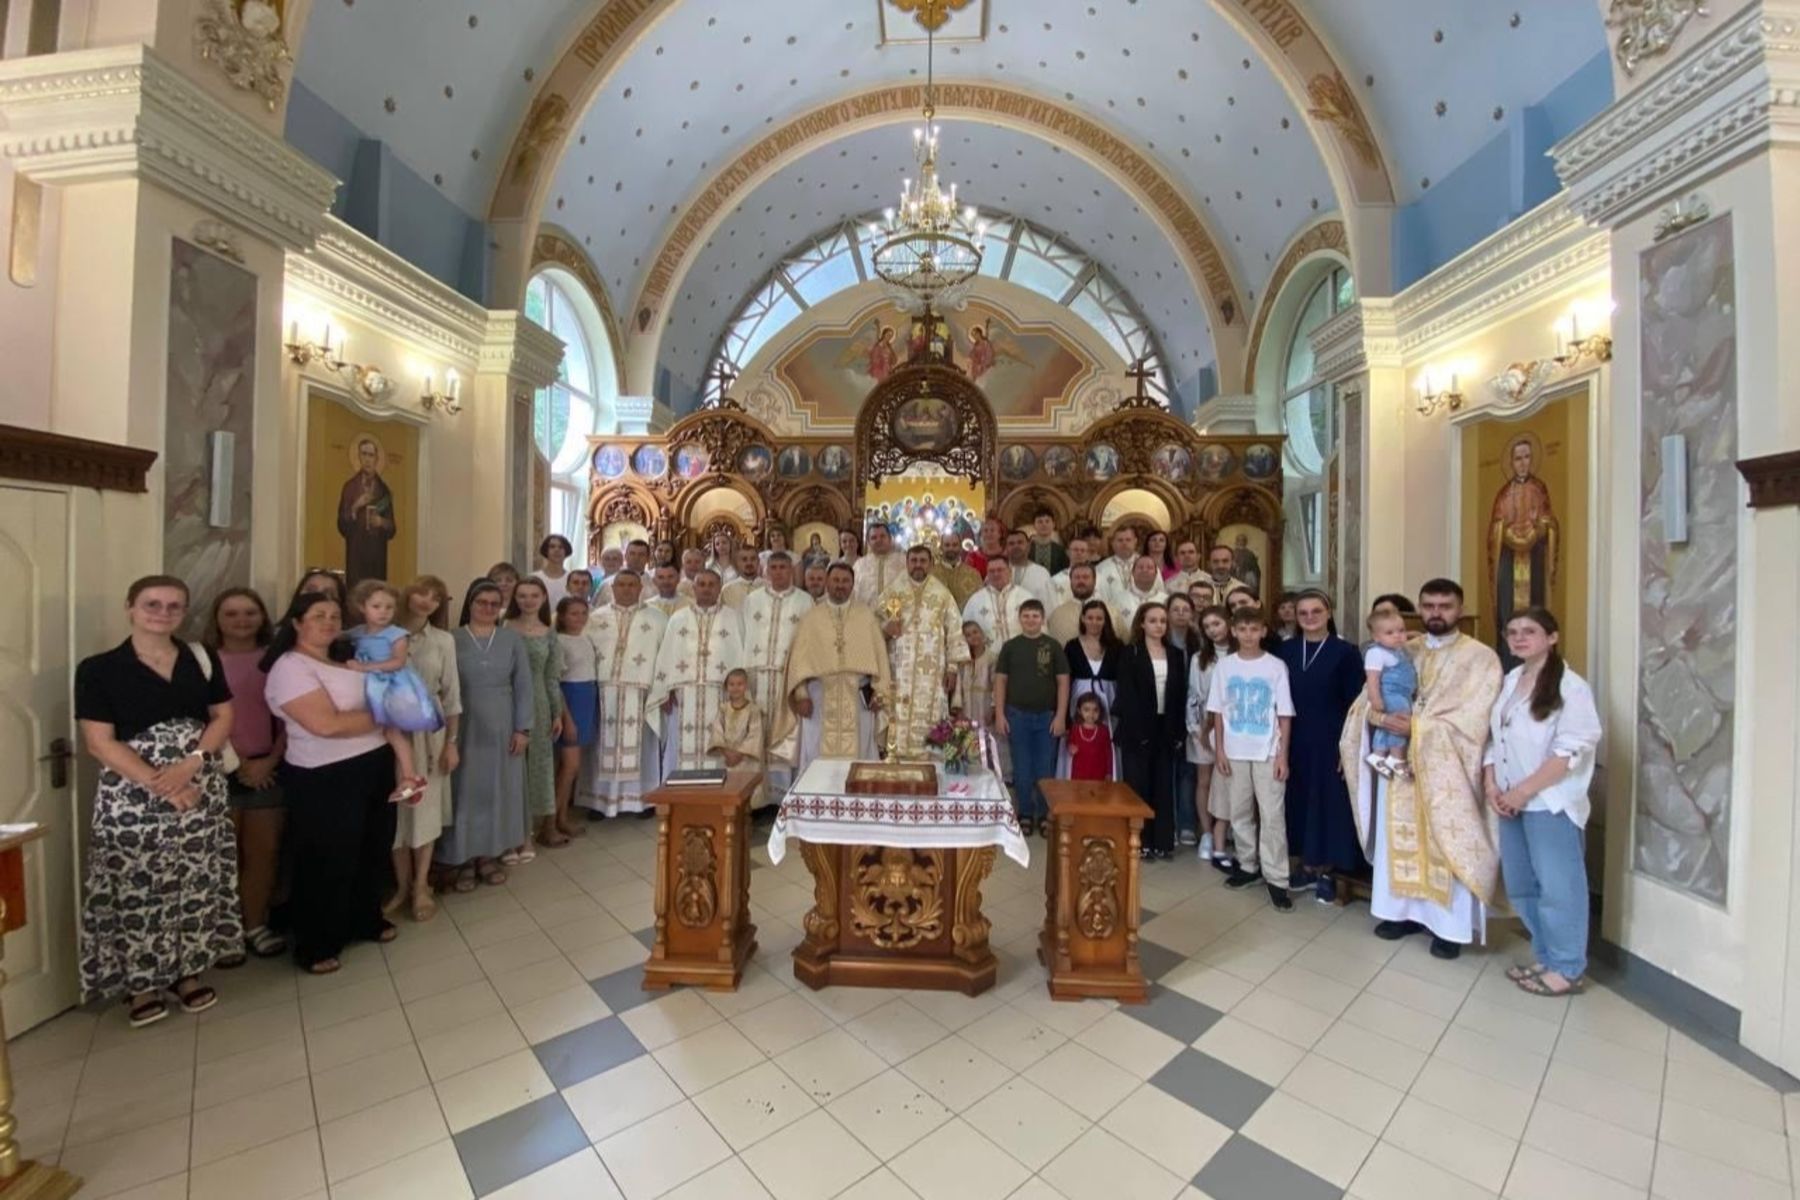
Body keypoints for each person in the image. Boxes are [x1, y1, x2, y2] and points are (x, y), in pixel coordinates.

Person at [78, 576, 239, 1025]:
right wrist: (161, 782)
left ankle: (188, 972)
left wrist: (193, 763)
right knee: (138, 888)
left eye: (174, 606)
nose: (162, 612)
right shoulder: (99, 668)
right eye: (152, 604)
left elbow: (223, 714)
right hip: (132, 797)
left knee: (195, 882)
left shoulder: (198, 659)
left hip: (198, 784)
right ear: (130, 607)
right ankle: (141, 984)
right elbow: (98, 742)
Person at [1340, 579, 1502, 960]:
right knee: (1397, 838)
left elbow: (1476, 721)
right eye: (1428, 605)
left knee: (1443, 841)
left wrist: (1418, 727)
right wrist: (1376, 715)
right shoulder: (1401, 647)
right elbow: (1366, 699)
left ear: (1459, 610)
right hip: (1400, 768)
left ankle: (1448, 927)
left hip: (1447, 773)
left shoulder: (1480, 659)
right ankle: (1400, 914)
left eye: (1444, 606)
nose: (1435, 613)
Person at [262, 589, 397, 973]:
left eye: (335, 616)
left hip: (372, 763)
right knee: (327, 856)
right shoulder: (290, 667)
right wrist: (386, 716)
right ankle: (318, 941)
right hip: (324, 773)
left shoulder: (344, 661)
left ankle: (363, 920)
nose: (328, 622)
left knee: (371, 847)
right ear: (296, 623)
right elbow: (324, 724)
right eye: (318, 615)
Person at [1487, 608, 1601, 997]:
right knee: (1522, 886)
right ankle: (1548, 955)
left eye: (1529, 631)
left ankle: (1568, 967)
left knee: (1558, 886)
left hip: (1548, 802)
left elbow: (1570, 752)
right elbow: (1494, 737)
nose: (1519, 638)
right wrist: (1492, 784)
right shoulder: (1511, 679)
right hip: (1509, 800)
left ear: (1551, 637)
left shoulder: (1572, 688)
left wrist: (1522, 791)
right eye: (1513, 631)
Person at [205, 587, 287, 961]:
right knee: (222, 856)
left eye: (249, 612)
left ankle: (255, 923)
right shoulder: (204, 662)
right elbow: (200, 717)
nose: (241, 620)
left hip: (266, 767)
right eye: (232, 613)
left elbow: (289, 715)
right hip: (218, 767)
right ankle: (224, 932)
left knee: (262, 852)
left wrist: (269, 760)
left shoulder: (277, 660)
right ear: (218, 620)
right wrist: (233, 761)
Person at [439, 580, 532, 889]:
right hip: (463, 725)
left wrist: (522, 728)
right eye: (482, 602)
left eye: (495, 603)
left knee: (497, 789)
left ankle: (489, 855)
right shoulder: (451, 639)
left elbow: (524, 686)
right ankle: (464, 857)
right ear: (471, 603)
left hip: (503, 724)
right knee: (464, 790)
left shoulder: (511, 639)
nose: (488, 608)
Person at [1277, 591, 1366, 903]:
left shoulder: (1345, 652)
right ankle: (1304, 864)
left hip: (1331, 739)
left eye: (1316, 611)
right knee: (1298, 800)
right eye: (1303, 612)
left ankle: (1329, 870)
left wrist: (1349, 747)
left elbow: (1356, 703)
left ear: (1328, 613)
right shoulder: (1285, 650)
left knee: (1328, 804)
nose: (1310, 617)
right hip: (1294, 737)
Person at [1208, 606, 1296, 911]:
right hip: (1234, 750)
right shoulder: (1225, 666)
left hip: (1267, 751)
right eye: (1242, 629)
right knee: (1239, 812)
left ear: (1263, 631)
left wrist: (1282, 754)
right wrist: (1219, 749)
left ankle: (1277, 877)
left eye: (1253, 629)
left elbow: (1284, 714)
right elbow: (1218, 712)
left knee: (1272, 815)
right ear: (1233, 631)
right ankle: (1248, 865)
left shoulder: (1275, 666)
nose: (1248, 635)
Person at [773, 563, 890, 770]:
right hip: (819, 698)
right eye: (836, 580)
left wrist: (880, 694)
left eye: (845, 581)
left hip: (858, 698)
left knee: (860, 754)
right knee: (816, 751)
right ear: (827, 582)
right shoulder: (811, 618)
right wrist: (801, 696)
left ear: (853, 584)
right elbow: (798, 663)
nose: (840, 585)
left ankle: (858, 801)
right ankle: (817, 799)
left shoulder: (866, 617)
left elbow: (880, 659)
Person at [392, 576, 461, 922]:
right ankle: (401, 886)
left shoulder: (443, 641)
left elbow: (452, 696)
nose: (426, 601)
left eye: (435, 597)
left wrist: (451, 743)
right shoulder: (383, 635)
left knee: (425, 808)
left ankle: (421, 885)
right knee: (396, 812)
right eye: (421, 592)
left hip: (429, 733)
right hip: (388, 731)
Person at [580, 569, 667, 818]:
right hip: (604, 691)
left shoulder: (658, 619)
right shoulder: (596, 618)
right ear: (612, 588)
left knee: (642, 747)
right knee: (601, 745)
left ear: (640, 588)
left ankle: (641, 800)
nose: (627, 589)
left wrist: (661, 690)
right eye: (621, 584)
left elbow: (664, 657)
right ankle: (599, 801)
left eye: (632, 585)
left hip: (642, 692)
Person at [344, 580, 441, 804]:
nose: (383, 612)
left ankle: (411, 777)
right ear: (362, 607)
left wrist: (364, 667)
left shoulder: (396, 634)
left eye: (389, 607)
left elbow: (397, 662)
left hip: (390, 684)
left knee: (392, 732)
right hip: (368, 686)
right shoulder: (357, 633)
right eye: (376, 606)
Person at [647, 570, 745, 773]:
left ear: (719, 588)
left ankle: (718, 799)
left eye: (712, 584)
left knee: (721, 742)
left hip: (721, 694)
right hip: (683, 696)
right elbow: (666, 655)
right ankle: (678, 799)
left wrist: (739, 692)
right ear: (694, 588)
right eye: (702, 584)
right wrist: (664, 691)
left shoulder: (733, 617)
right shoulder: (678, 619)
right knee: (679, 746)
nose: (707, 589)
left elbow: (740, 654)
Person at [1113, 603, 1188, 860]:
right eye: (1153, 620)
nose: (1159, 625)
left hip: (1165, 727)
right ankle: (1139, 840)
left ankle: (1162, 841)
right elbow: (1127, 694)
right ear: (1142, 623)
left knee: (1163, 785)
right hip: (1137, 729)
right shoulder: (1130, 653)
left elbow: (1179, 696)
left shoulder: (1176, 654)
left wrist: (1178, 732)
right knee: (1138, 785)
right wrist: (1139, 730)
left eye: (1162, 621)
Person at [879, 544, 969, 759]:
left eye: (922, 561)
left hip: (932, 671)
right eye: (914, 560)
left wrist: (952, 668)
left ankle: (930, 762)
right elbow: (877, 624)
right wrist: (885, 628)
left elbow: (955, 631)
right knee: (896, 710)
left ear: (930, 564)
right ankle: (895, 757)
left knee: (933, 713)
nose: (918, 565)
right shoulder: (893, 591)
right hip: (898, 668)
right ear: (907, 563)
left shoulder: (942, 594)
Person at [993, 599, 1069, 836]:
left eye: (1035, 616)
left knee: (1044, 768)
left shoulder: (1053, 646)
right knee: (1022, 768)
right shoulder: (1011, 647)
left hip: (1046, 716)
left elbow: (1063, 681)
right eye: (1026, 616)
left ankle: (1045, 813)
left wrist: (1060, 716)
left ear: (1042, 618)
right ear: (1020, 619)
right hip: (1017, 716)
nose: (1031, 620)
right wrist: (999, 714)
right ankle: (1024, 812)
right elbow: (1001, 681)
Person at [741, 552, 812, 802]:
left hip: (787, 679)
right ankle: (758, 796)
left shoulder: (805, 602)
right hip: (756, 678)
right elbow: (742, 638)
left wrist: (801, 689)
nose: (779, 571)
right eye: (774, 567)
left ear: (791, 570)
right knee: (756, 735)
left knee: (785, 737)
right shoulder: (752, 600)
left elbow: (807, 647)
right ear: (766, 570)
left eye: (783, 567)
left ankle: (783, 797)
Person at [1488, 437, 1559, 669]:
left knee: (1535, 607)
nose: (1522, 463)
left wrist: (1537, 532)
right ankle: (1509, 660)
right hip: (1509, 558)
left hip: (1534, 557)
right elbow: (1496, 527)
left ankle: (1539, 660)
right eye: (1518, 458)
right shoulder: (1504, 493)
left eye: (1527, 457)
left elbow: (1549, 521)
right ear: (1512, 461)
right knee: (1509, 606)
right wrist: (1507, 535)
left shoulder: (1539, 489)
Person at [507, 578, 566, 855]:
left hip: (540, 702)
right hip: (507, 702)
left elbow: (552, 675)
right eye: (522, 595)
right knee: (511, 766)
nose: (528, 601)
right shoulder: (505, 628)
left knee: (539, 767)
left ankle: (534, 828)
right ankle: (511, 832)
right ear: (514, 598)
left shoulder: (548, 632)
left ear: (543, 598)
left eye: (533, 595)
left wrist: (557, 713)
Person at [1187, 606, 1236, 872]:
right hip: (1204, 727)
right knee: (1204, 781)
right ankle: (1207, 832)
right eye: (1207, 627)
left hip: (1234, 727)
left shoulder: (1240, 653)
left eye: (1217, 623)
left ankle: (1227, 831)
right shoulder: (1199, 659)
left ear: (1228, 623)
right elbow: (1194, 695)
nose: (1213, 630)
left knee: (1229, 782)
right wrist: (1197, 730)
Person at [551, 595, 599, 845]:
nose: (579, 618)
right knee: (568, 766)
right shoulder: (558, 641)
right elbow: (555, 682)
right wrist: (566, 717)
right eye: (573, 614)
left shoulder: (585, 638)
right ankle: (554, 820)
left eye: (583, 613)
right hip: (571, 699)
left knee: (571, 767)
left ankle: (562, 815)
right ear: (561, 616)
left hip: (586, 697)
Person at [1363, 607, 1418, 778]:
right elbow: (1372, 679)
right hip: (1390, 694)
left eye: (1401, 630)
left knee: (1387, 727)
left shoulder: (1398, 651)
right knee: (1399, 722)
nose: (1398, 635)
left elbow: (1409, 637)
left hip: (1402, 694)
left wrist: (1412, 634)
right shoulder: (1376, 653)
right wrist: (1375, 699)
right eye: (1390, 632)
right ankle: (1396, 757)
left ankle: (1378, 755)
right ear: (1376, 637)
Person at [337, 437, 396, 586]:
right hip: (356, 554)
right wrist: (355, 507)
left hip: (377, 556)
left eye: (371, 455)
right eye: (364, 454)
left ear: (376, 458)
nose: (368, 459)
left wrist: (381, 522)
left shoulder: (384, 491)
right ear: (359, 457)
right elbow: (342, 525)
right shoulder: (350, 487)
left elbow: (392, 528)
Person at [709, 668, 766, 806]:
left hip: (746, 760)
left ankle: (748, 816)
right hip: (727, 759)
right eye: (732, 684)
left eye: (739, 684)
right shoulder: (723, 709)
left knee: (747, 791)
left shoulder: (753, 710)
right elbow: (717, 731)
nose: (735, 688)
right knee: (727, 791)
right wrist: (726, 753)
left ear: (746, 686)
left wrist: (739, 754)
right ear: (726, 686)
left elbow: (755, 734)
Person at [1064, 599, 1121, 730]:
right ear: (1083, 619)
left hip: (1109, 698)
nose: (1094, 622)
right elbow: (1066, 680)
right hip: (1078, 699)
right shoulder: (1072, 646)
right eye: (1090, 618)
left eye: (1099, 618)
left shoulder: (1116, 646)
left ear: (1105, 620)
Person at [963, 557, 1030, 647]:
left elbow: (1040, 629)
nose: (996, 574)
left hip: (1022, 653)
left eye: (1000, 570)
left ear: (1010, 572)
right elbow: (965, 632)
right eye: (991, 571)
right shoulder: (975, 601)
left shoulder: (1025, 597)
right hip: (988, 657)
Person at [1109, 555, 1169, 637]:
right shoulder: (1118, 599)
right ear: (1133, 573)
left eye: (1149, 568)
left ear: (1156, 574)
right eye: (1140, 567)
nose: (1145, 570)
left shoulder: (1165, 600)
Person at [1065, 694, 1116, 781]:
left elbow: (1108, 753)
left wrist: (1109, 773)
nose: (1091, 714)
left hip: (1099, 774)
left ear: (1100, 711)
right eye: (1086, 710)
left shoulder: (1103, 730)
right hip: (1079, 774)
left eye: (1095, 710)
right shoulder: (1075, 728)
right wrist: (1070, 747)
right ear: (1079, 711)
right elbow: (1069, 743)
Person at [853, 522, 906, 606]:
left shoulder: (903, 561)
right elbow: (853, 592)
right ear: (869, 542)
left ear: (890, 539)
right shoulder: (859, 565)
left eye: (882, 536)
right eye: (874, 538)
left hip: (897, 614)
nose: (878, 540)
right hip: (867, 614)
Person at [1046, 562, 1098, 644]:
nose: (1081, 581)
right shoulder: (1057, 615)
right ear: (1070, 582)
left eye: (1086, 577)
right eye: (1077, 577)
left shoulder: (1111, 613)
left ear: (1094, 581)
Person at [932, 532, 983, 609]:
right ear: (941, 547)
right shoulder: (931, 574)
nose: (951, 548)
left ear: (960, 547)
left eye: (955, 545)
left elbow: (980, 602)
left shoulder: (973, 575)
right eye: (947, 545)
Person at [1003, 529, 1054, 606]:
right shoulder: (997, 571)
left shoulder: (1042, 573)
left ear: (1028, 546)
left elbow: (1050, 605)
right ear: (1006, 548)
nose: (1016, 546)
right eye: (1011, 544)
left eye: (1020, 542)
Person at [1094, 526, 1139, 601]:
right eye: (1120, 540)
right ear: (1112, 543)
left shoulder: (1148, 566)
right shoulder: (1101, 568)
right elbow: (1097, 594)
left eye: (1128, 540)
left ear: (1135, 541)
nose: (1124, 543)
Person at [1049, 535, 1091, 610]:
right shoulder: (1056, 580)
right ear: (1068, 552)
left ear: (1088, 554)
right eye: (1075, 550)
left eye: (1083, 550)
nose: (1079, 553)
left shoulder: (1099, 578)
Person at [533, 534, 575, 609]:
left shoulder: (573, 579)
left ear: (566, 551)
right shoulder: (535, 578)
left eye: (561, 547)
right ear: (546, 550)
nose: (557, 550)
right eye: (552, 547)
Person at [1028, 508, 1069, 575]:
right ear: (1034, 525)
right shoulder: (1027, 549)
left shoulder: (1060, 550)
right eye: (1040, 522)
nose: (1044, 524)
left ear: (1053, 525)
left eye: (1047, 521)